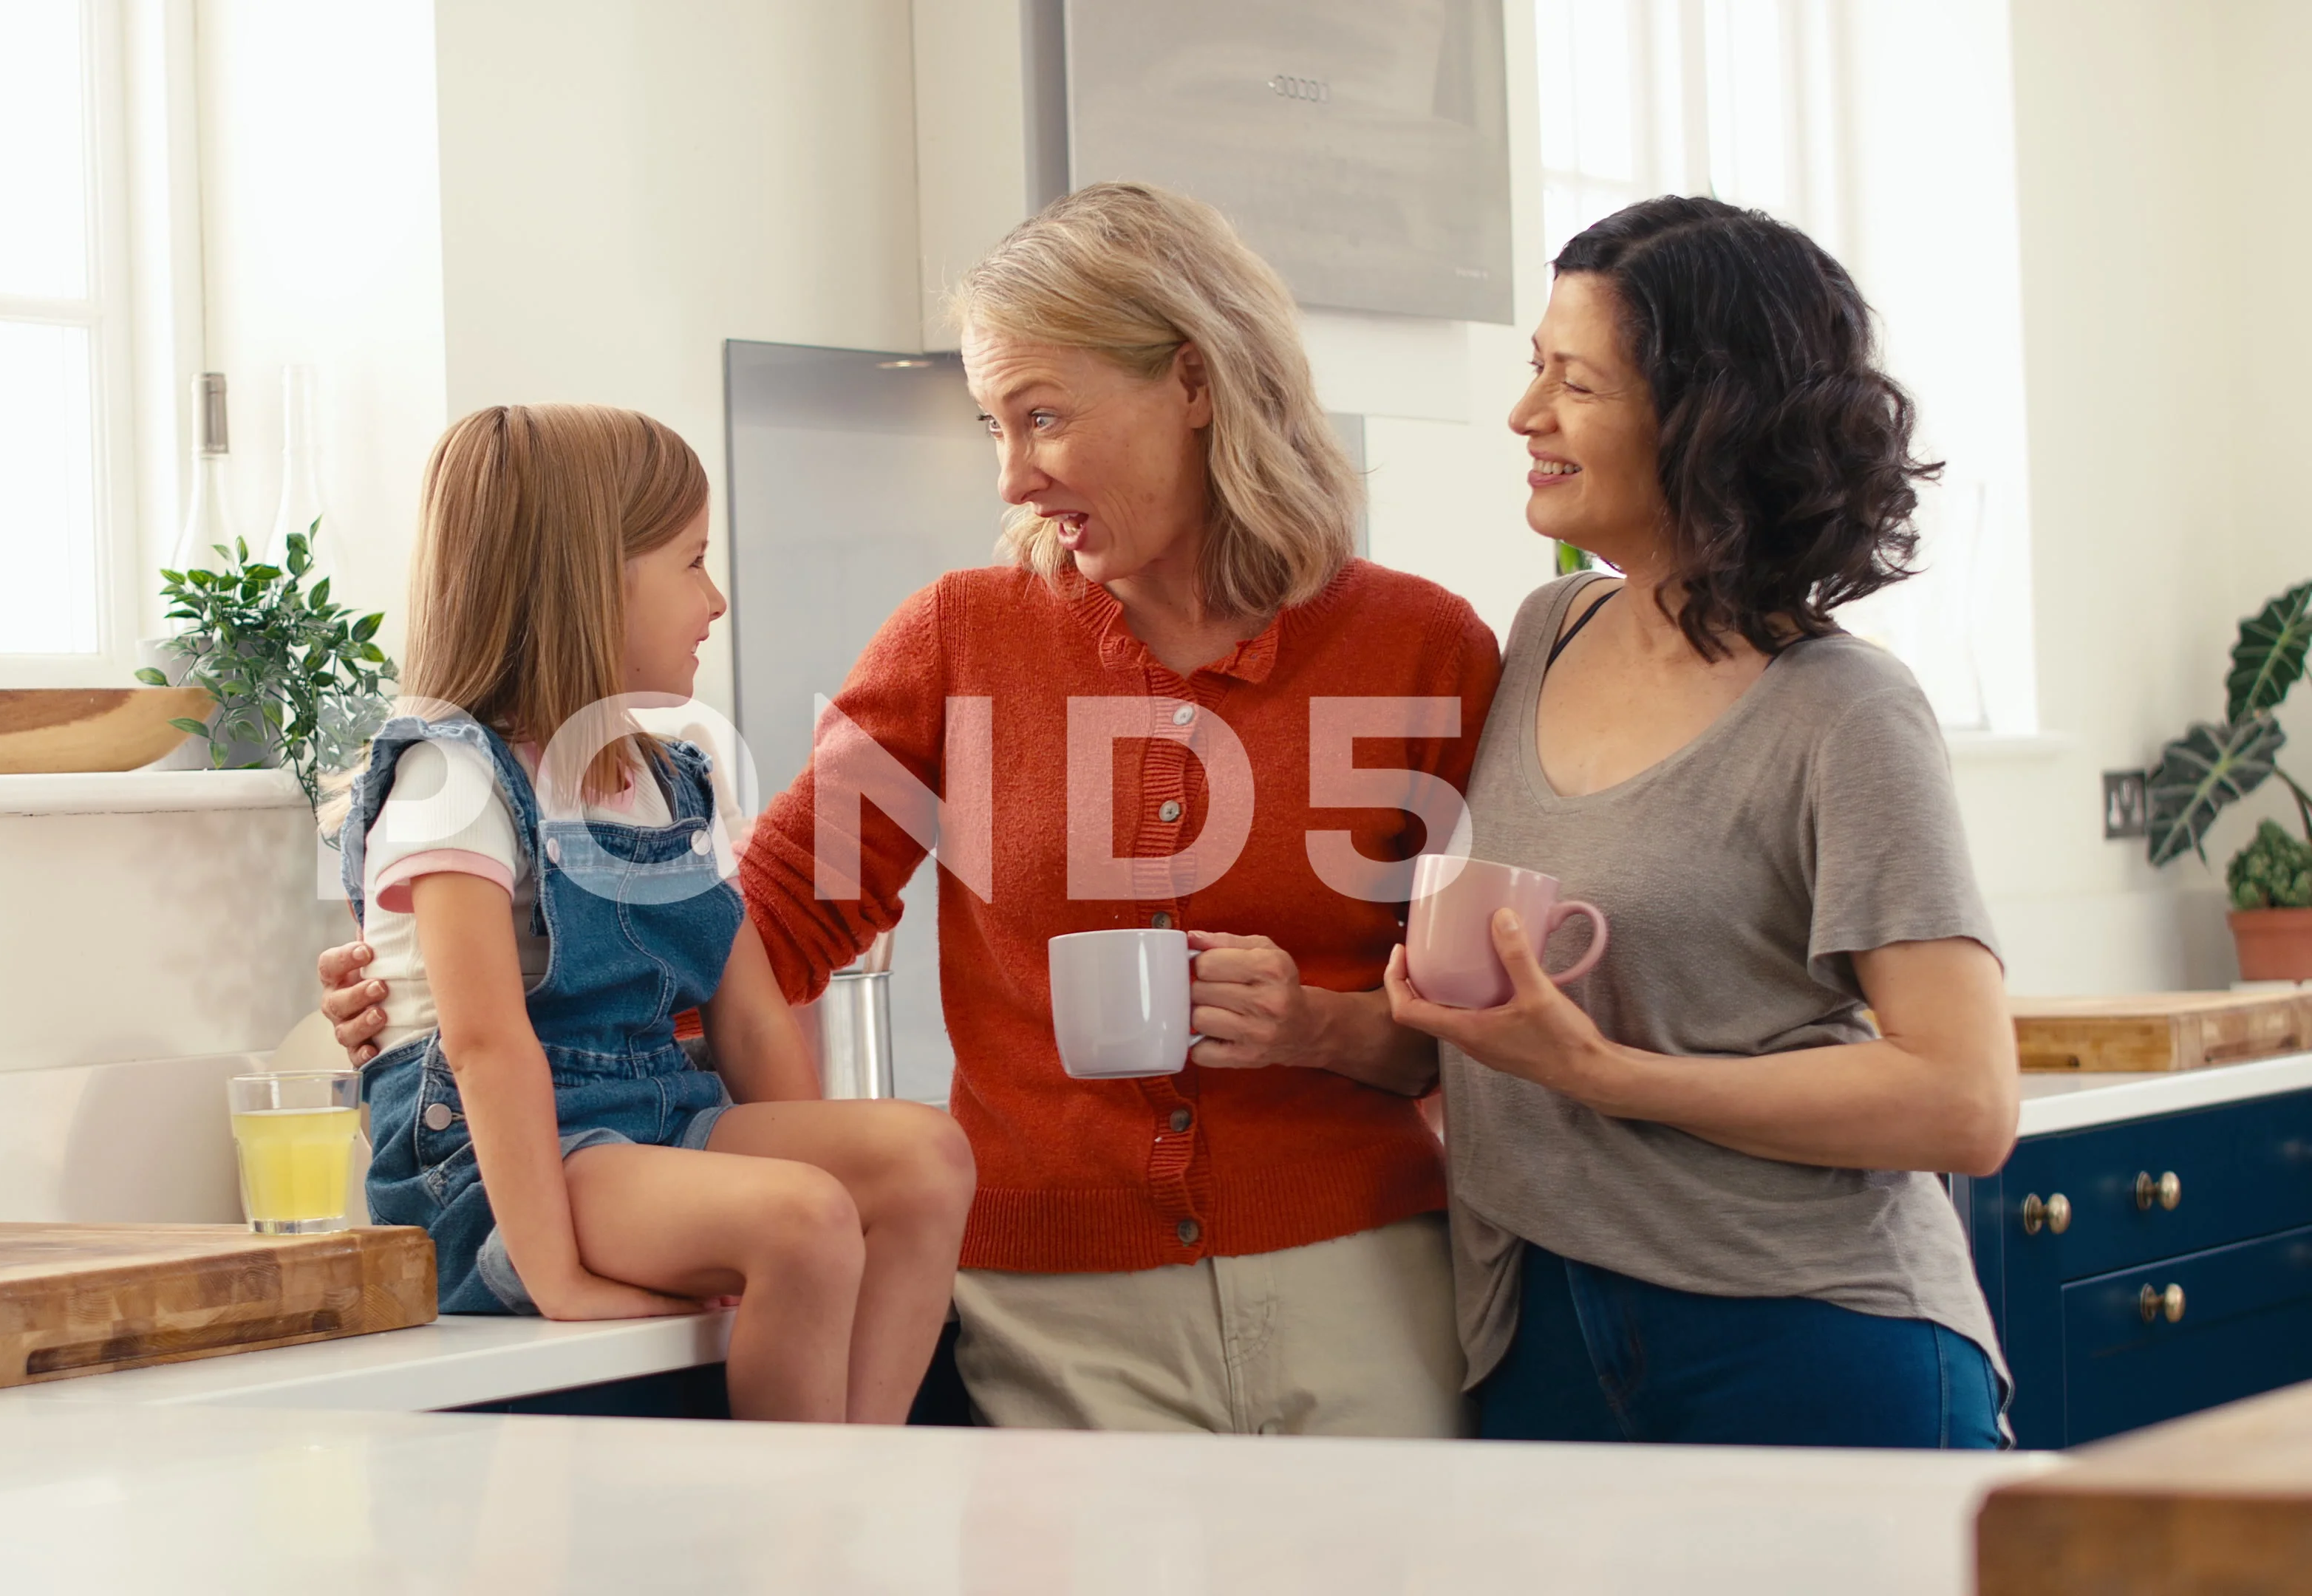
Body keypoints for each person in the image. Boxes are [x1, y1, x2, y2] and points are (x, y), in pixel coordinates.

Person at [326, 183, 1499, 1436]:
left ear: (1196, 383)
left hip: (1360, 1283)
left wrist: (1319, 1025)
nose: (1014, 473)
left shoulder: (1419, 652)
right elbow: (763, 926)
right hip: (1057, 1315)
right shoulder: (963, 641)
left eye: (1043, 418)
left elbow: (1495, 1034)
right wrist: (453, 987)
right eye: (995, 424)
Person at [1385, 196, 2018, 1447]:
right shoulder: (1540, 635)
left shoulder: (1845, 713)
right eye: (1534, 371)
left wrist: (1606, 1077)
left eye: (1576, 384)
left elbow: (1964, 1100)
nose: (1527, 418)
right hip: (1542, 1327)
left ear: (1706, 419)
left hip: (1803, 1335)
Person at [333, 403, 974, 1424]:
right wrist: (557, 1278)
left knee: (925, 1158)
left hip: (662, 1121)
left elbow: (752, 1016)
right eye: (691, 562)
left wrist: (793, 1155)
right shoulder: (454, 779)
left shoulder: (669, 780)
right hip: (506, 1168)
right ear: (591, 580)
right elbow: (490, 1046)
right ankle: (799, 1542)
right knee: (801, 1219)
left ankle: (856, 1479)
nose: (714, 599)